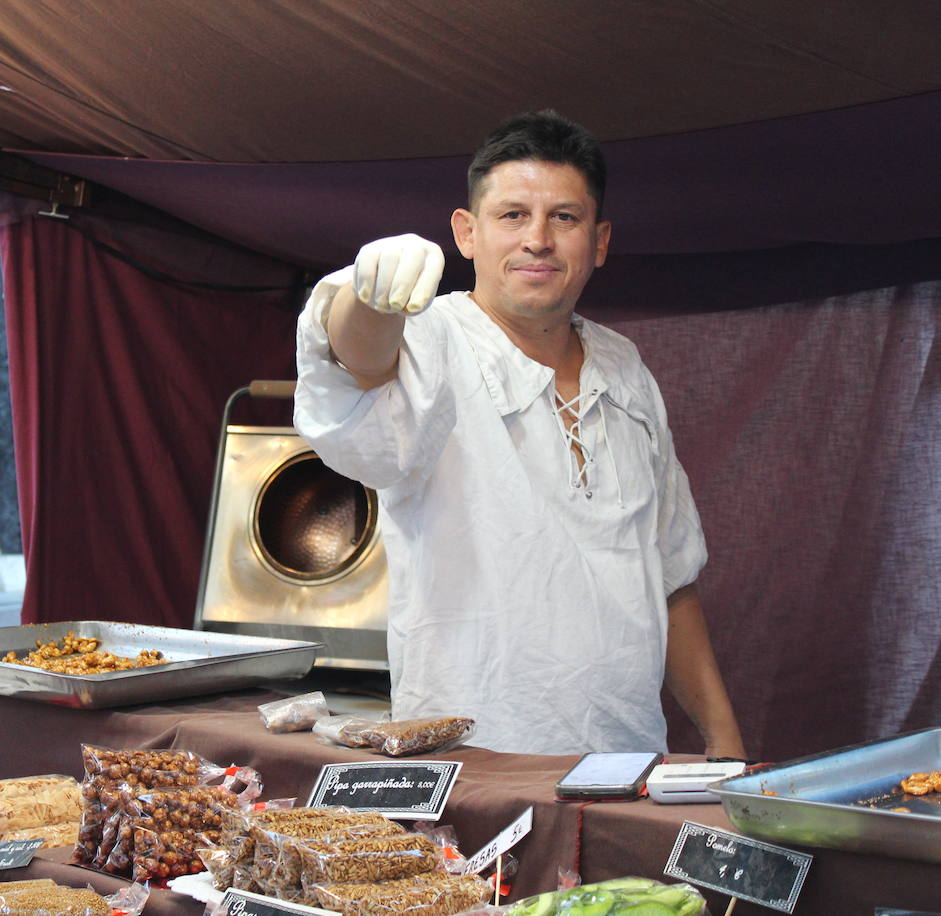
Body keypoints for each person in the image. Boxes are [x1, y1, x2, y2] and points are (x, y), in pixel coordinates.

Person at [293, 111, 746, 757]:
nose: (538, 238)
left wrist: (725, 744)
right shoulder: (430, 337)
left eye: (564, 218)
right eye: (511, 216)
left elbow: (669, 575)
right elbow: (357, 362)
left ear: (600, 240)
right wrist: (367, 295)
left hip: (624, 756)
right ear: (466, 233)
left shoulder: (626, 368)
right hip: (470, 758)